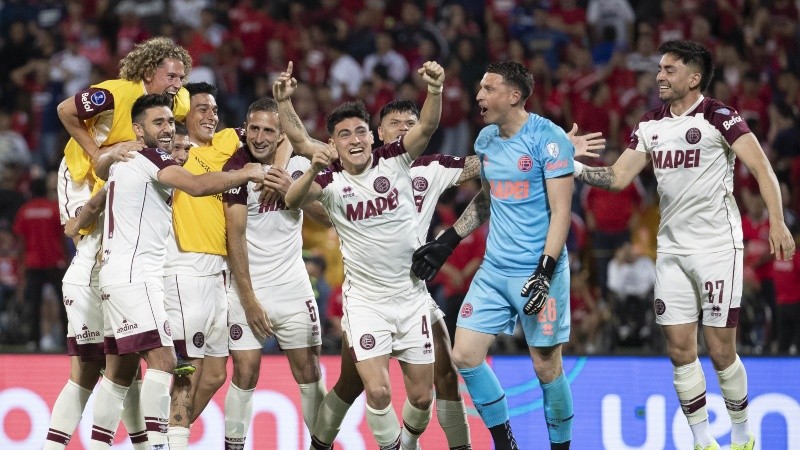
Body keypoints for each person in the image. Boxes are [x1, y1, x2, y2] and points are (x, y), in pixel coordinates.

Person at [308, 99, 604, 450]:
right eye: (395, 123)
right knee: (351, 384)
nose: (404, 128)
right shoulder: (352, 175)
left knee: (447, 375)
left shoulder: (431, 168)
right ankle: (319, 444)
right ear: (378, 134)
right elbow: (315, 204)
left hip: (415, 293)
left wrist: (550, 150)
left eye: (411, 122)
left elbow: (494, 164)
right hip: (368, 296)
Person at [571, 40, 795, 450]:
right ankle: (702, 441)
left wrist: (777, 222)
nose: (659, 75)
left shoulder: (719, 117)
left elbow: (761, 166)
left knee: (721, 348)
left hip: (716, 248)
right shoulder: (649, 124)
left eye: (669, 69)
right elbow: (619, 178)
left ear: (694, 78)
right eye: (659, 68)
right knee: (679, 350)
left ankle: (744, 436)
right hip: (671, 252)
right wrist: (571, 165)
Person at [412, 61, 576, 450]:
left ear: (514, 95)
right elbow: (487, 199)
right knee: (465, 356)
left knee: (546, 367)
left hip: (540, 270)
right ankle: (506, 444)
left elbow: (562, 212)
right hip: (494, 270)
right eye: (479, 88)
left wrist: (544, 271)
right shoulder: (486, 139)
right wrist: (448, 241)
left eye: (488, 89)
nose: (478, 95)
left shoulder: (548, 139)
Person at [280, 60, 444, 450]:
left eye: (359, 131)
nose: (353, 139)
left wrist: (435, 91)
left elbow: (428, 127)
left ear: (371, 137)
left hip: (411, 297)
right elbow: (291, 198)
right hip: (366, 303)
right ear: (333, 145)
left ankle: (406, 443)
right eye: (343, 135)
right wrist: (286, 106)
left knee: (422, 399)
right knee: (379, 393)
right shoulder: (331, 179)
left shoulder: (395, 158)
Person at [87, 94, 266, 450]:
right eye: (159, 123)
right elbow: (197, 186)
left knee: (120, 374)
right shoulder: (150, 157)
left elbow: (103, 171)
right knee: (168, 362)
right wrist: (245, 173)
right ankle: (157, 445)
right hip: (140, 277)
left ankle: (101, 444)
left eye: (171, 121)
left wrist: (106, 157)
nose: (168, 129)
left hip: (121, 276)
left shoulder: (130, 159)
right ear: (138, 130)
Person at [162, 82, 293, 449]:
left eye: (214, 109)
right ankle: (164, 440)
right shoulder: (175, 151)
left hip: (219, 272)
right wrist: (248, 173)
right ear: (183, 114)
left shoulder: (226, 142)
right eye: (201, 108)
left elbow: (284, 136)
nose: (210, 115)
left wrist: (276, 175)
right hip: (185, 266)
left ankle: (169, 435)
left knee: (216, 373)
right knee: (188, 370)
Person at [221, 97, 332, 450]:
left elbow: (329, 217)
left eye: (269, 129)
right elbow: (234, 239)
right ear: (245, 128)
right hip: (248, 288)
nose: (259, 136)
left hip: (293, 286)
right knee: (245, 372)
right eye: (253, 128)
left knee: (310, 372)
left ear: (282, 133)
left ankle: (320, 446)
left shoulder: (299, 165)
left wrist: (291, 191)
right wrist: (250, 300)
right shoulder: (236, 169)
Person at [44, 146, 149, 450]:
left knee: (125, 369)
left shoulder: (144, 152)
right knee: (96, 372)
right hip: (93, 276)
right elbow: (74, 227)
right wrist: (113, 176)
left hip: (125, 277)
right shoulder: (74, 161)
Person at [56, 36, 191, 229]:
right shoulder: (114, 93)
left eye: (181, 78)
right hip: (82, 171)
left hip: (119, 171)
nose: (178, 85)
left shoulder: (180, 101)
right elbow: (65, 110)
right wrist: (96, 154)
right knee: (82, 234)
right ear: (149, 73)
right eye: (171, 77)